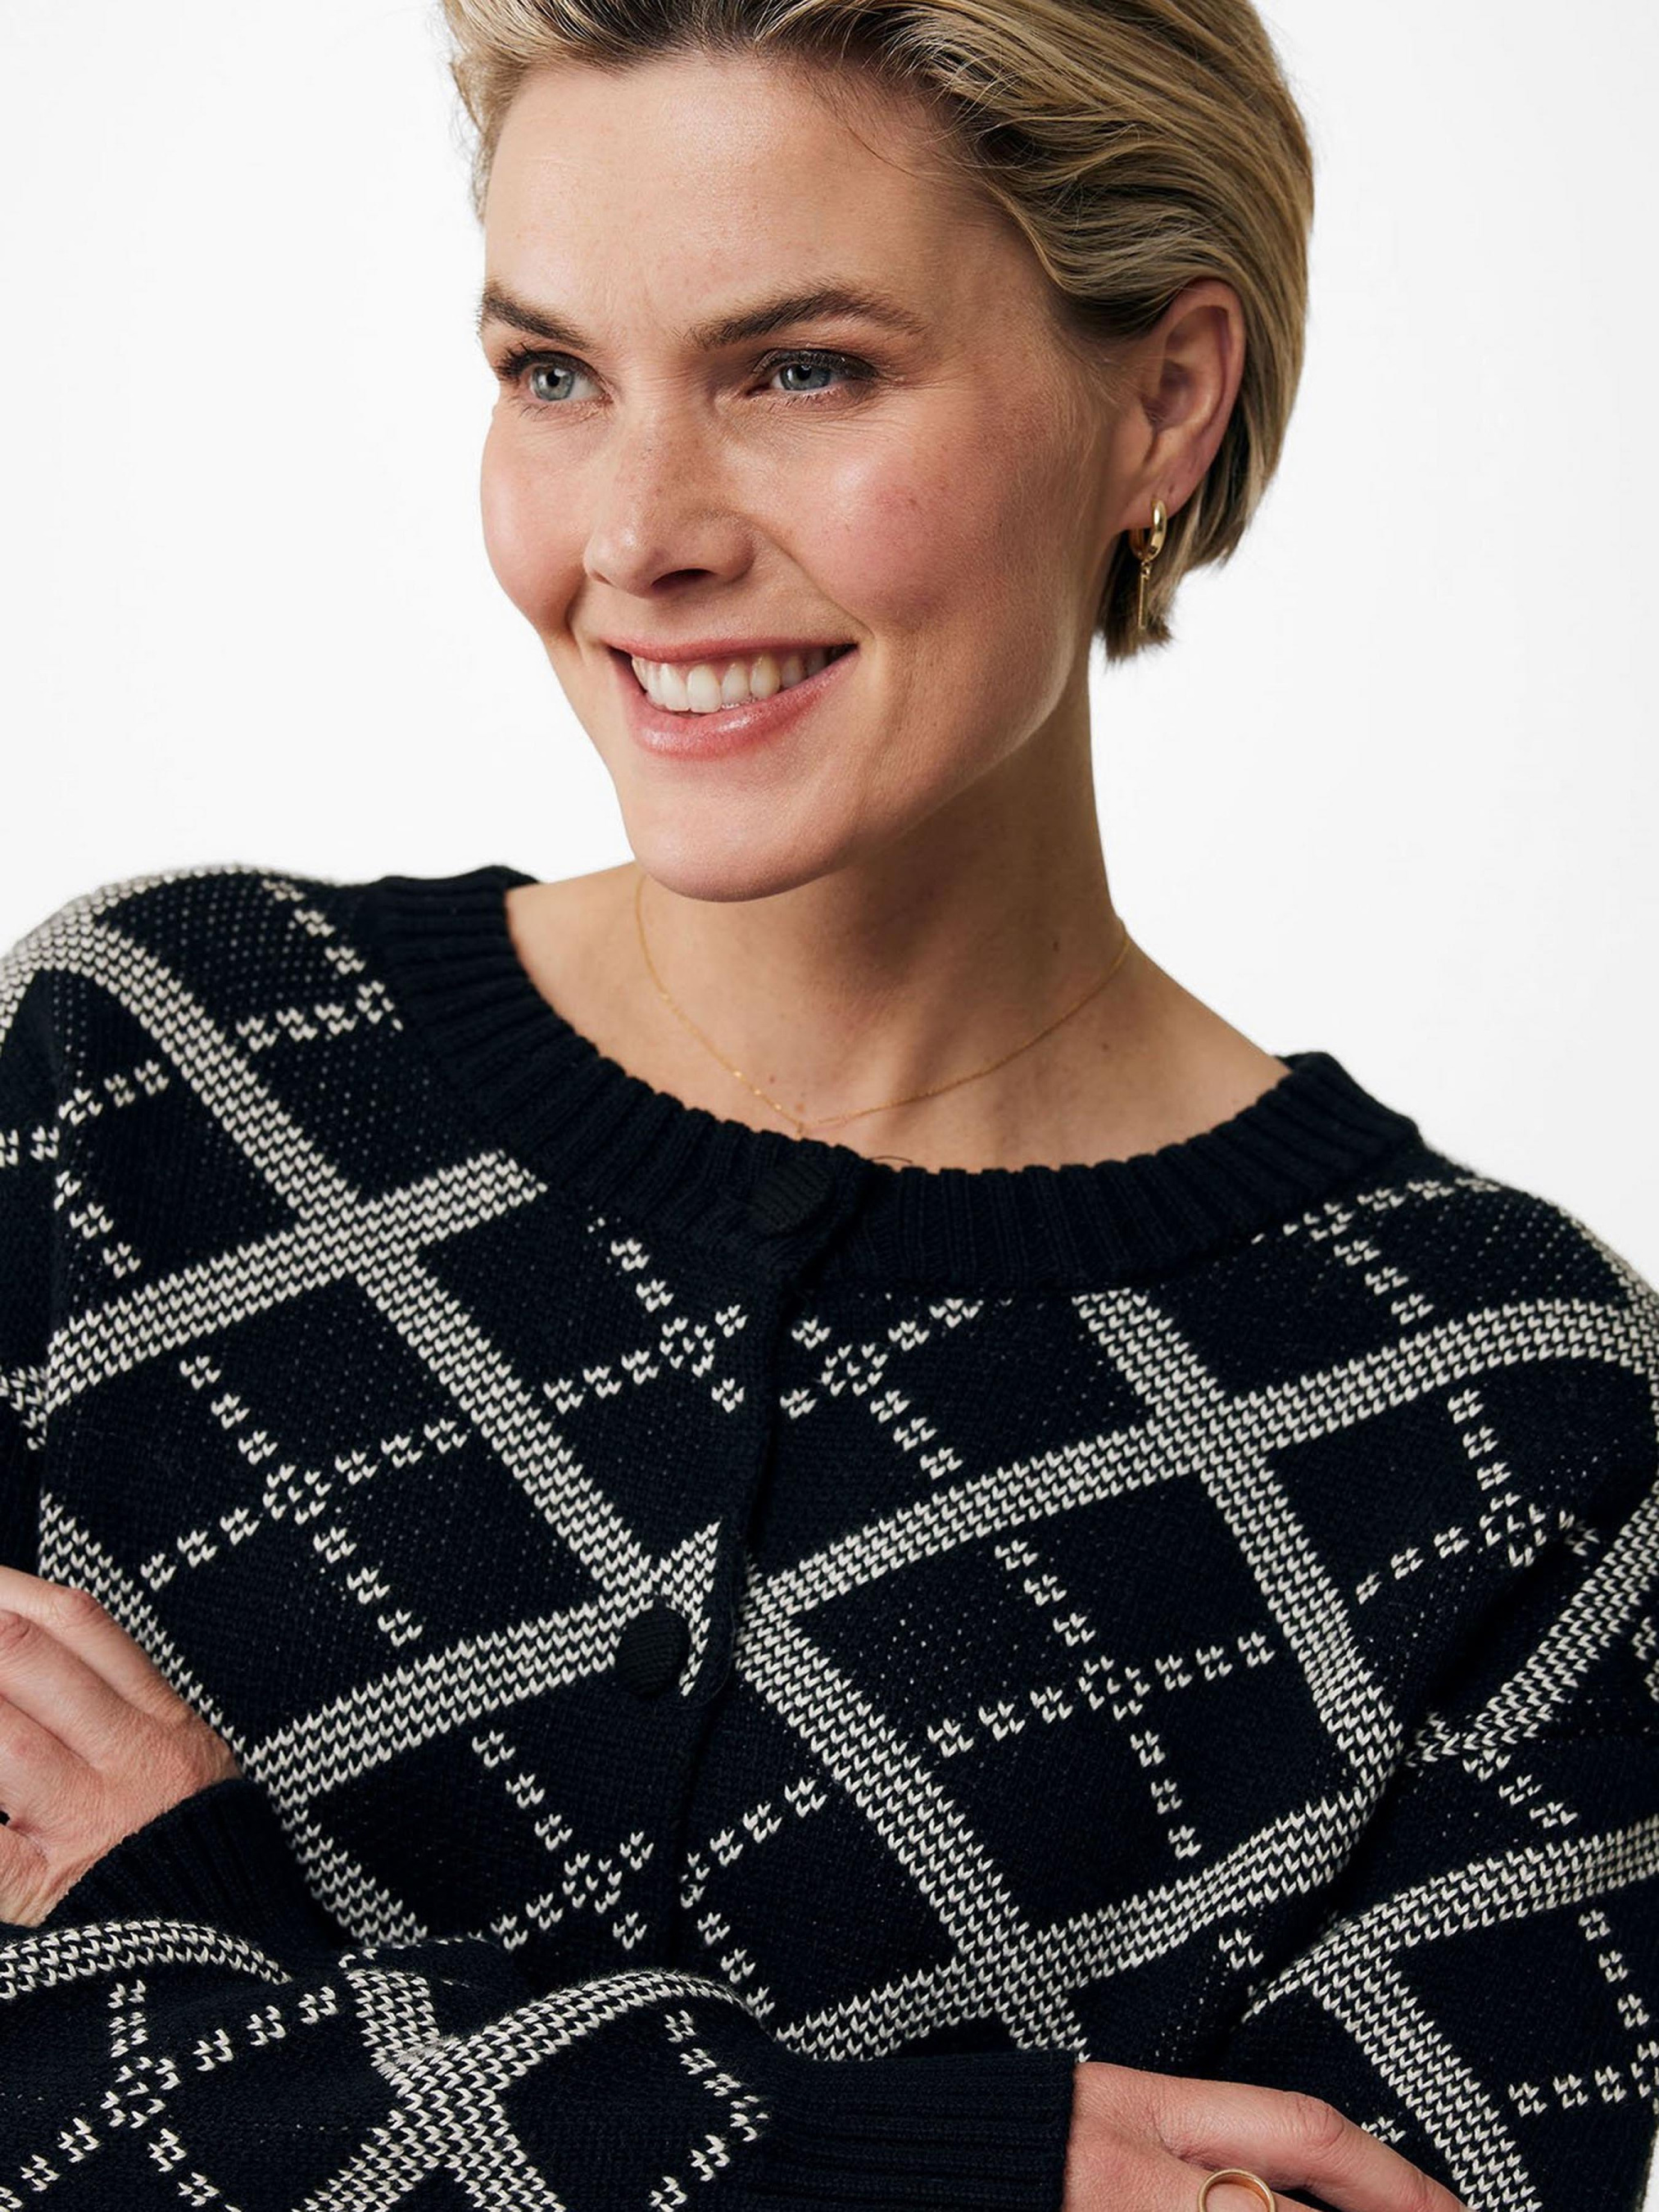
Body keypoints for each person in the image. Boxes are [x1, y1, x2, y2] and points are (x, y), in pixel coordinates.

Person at [0, 2, 1653, 2207]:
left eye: (801, 372)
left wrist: (193, 1988)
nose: (636, 534)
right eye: (552, 374)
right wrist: (916, 2164)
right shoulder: (148, 1080)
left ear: (1164, 398)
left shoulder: (1511, 1424)